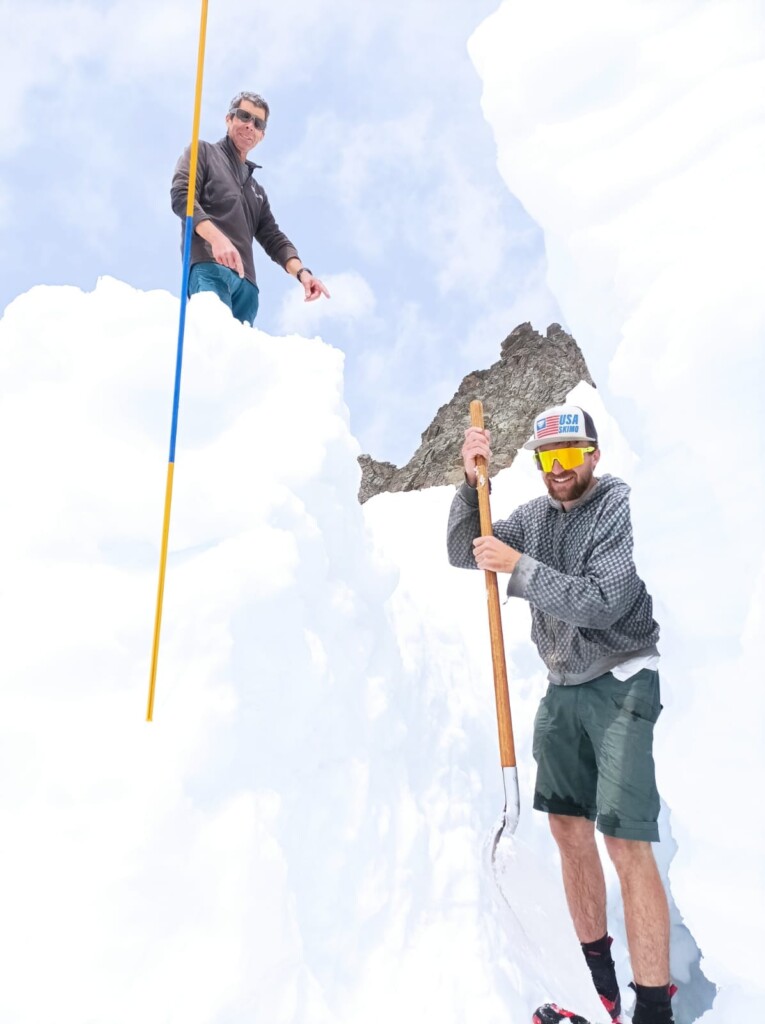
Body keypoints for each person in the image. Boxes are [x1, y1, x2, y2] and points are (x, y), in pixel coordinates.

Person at [447, 404, 675, 1024]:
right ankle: (597, 984)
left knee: (625, 842)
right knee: (568, 831)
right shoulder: (535, 517)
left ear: (593, 456)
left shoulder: (619, 507)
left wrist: (518, 568)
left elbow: (604, 603)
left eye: (571, 455)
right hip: (561, 687)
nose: (559, 470)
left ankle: (655, 1008)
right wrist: (473, 485)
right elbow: (465, 552)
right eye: (549, 458)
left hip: (622, 679)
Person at [171, 91, 330, 325]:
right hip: (210, 267)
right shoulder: (203, 152)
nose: (250, 126)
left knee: (236, 357)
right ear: (229, 119)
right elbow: (181, 196)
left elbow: (274, 238)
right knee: (213, 337)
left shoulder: (257, 190)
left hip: (247, 289)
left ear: (262, 134)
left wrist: (302, 273)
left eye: (257, 123)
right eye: (244, 117)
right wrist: (217, 239)